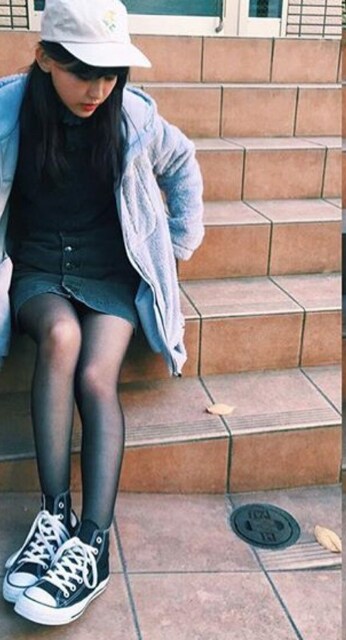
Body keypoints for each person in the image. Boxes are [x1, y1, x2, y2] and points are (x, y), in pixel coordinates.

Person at [0, 0, 203, 626]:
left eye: (110, 73)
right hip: (39, 269)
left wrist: (174, 247)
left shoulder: (133, 116)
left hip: (112, 275)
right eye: (83, 72)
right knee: (61, 337)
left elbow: (182, 164)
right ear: (44, 58)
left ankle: (92, 542)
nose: (98, 89)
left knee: (95, 376)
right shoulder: (9, 110)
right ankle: (53, 515)